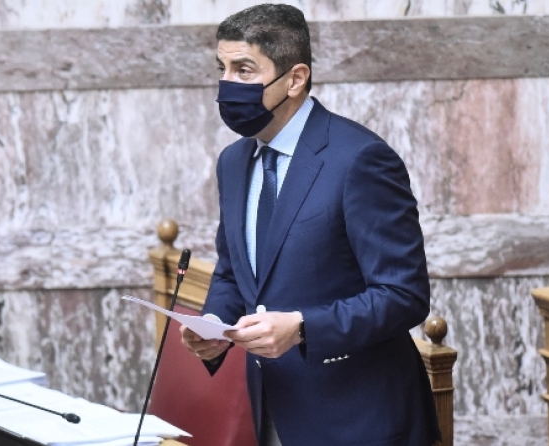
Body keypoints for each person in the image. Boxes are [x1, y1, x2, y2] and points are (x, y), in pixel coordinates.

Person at [179, 4, 441, 445]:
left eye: (244, 70)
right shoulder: (233, 161)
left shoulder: (360, 159)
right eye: (222, 69)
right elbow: (234, 274)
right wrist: (214, 325)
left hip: (361, 421)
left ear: (295, 78)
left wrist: (303, 327)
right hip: (274, 409)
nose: (227, 84)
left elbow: (404, 295)